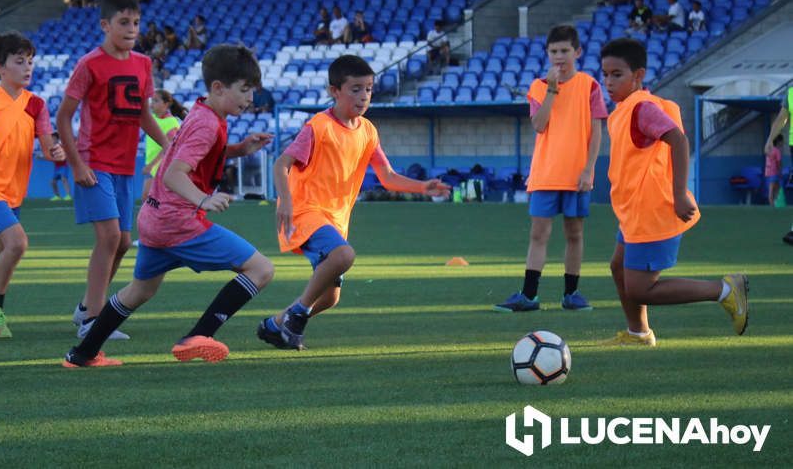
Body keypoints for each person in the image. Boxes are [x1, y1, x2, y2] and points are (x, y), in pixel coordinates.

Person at [63, 45, 275, 367]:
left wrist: (239, 149)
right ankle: (198, 336)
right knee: (261, 269)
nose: (249, 99)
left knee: (139, 291)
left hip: (154, 217)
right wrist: (202, 199)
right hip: (179, 221)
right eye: (244, 90)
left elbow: (195, 156)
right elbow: (176, 173)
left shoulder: (202, 112)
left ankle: (82, 354)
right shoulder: (206, 123)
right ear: (218, 87)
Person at [257, 55, 450, 351]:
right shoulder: (318, 127)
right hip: (305, 212)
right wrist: (284, 201)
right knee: (344, 256)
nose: (364, 96)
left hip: (335, 220)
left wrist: (423, 187)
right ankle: (296, 318)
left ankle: (275, 325)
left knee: (330, 298)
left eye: (369, 89)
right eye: (356, 89)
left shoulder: (368, 131)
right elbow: (281, 164)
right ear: (335, 91)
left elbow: (387, 176)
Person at [599, 38, 748, 346]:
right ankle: (638, 333)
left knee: (640, 289)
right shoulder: (627, 109)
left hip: (653, 212)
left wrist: (680, 193)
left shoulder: (641, 108)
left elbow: (679, 141)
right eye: (605, 74)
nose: (608, 82)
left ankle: (724, 290)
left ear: (638, 76)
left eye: (617, 75)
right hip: (635, 212)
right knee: (618, 266)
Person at [56, 0, 170, 340]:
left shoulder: (143, 64)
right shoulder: (89, 64)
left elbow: (142, 115)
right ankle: (93, 319)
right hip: (94, 163)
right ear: (105, 25)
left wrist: (169, 144)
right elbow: (63, 118)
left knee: (121, 242)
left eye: (136, 22)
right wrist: (76, 165)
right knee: (108, 238)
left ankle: (87, 306)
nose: (131, 28)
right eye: (123, 22)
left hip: (124, 165)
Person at [0, 31, 65, 338]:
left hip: (14, 192)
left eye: (30, 61)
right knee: (17, 244)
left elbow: (48, 148)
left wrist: (56, 151)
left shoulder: (37, 105)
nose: (27, 67)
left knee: (0, 258)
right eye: (19, 61)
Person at [494, 25, 607, 312]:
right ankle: (529, 295)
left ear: (577, 52)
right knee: (538, 235)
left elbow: (597, 133)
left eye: (564, 51)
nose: (559, 57)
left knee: (574, 234)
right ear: (547, 53)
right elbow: (538, 125)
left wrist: (588, 170)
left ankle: (572, 294)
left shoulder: (590, 85)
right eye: (554, 51)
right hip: (545, 173)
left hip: (577, 175)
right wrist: (552, 91)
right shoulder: (538, 86)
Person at [140, 89, 187, 211]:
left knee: (149, 198)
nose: (151, 104)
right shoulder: (152, 119)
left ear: (166, 104)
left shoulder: (171, 122)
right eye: (152, 101)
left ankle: (159, 220)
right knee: (149, 199)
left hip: (162, 167)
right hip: (153, 167)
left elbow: (168, 148)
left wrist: (151, 165)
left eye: (156, 101)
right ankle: (159, 220)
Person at [764, 86, 793, 244]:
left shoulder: (791, 93)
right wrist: (770, 140)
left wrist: (769, 139)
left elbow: (782, 118)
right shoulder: (790, 93)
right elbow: (782, 118)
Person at [50, 133, 72, 201]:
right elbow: (51, 156)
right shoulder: (51, 148)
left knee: (63, 179)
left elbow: (66, 155)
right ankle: (57, 196)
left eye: (54, 138)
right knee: (52, 182)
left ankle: (68, 195)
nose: (52, 139)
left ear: (57, 139)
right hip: (57, 167)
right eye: (52, 138)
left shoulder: (61, 146)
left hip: (63, 166)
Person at [765, 134, 783, 207]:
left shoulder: (769, 150)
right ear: (778, 142)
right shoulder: (777, 151)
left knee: (774, 188)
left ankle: (774, 204)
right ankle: (772, 205)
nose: (782, 144)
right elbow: (778, 163)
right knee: (773, 190)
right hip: (774, 172)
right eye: (782, 142)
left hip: (768, 172)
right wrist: (780, 172)